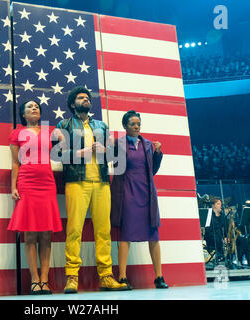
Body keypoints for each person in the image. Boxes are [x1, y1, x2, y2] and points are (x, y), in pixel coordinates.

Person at [55, 86, 128, 293]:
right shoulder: (63, 125)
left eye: (87, 97)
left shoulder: (102, 126)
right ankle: (72, 278)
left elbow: (116, 156)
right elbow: (57, 155)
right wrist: (81, 152)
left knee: (104, 231)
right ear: (72, 104)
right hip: (77, 183)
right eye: (80, 97)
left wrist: (107, 150)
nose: (85, 99)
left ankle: (106, 277)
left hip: (102, 183)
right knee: (74, 230)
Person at [7, 100, 62, 295]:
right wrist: (13, 186)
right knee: (29, 232)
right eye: (29, 106)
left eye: (37, 106)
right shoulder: (16, 134)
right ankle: (34, 279)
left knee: (47, 233)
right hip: (27, 183)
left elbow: (64, 152)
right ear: (23, 114)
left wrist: (62, 140)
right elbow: (15, 163)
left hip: (47, 183)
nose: (34, 108)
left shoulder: (51, 131)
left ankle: (45, 280)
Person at [110, 110, 168, 289]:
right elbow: (114, 164)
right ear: (125, 126)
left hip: (147, 192)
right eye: (132, 124)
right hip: (127, 191)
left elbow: (153, 170)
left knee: (154, 235)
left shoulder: (149, 145)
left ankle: (159, 277)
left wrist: (158, 153)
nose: (136, 126)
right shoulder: (118, 144)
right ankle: (122, 277)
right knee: (126, 235)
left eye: (138, 124)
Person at [204, 198, 228, 264]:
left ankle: (234, 259)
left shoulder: (222, 216)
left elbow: (226, 228)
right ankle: (219, 257)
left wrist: (226, 237)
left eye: (221, 204)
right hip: (211, 237)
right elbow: (207, 230)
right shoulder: (208, 215)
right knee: (217, 238)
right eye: (218, 204)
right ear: (213, 205)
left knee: (241, 240)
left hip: (221, 237)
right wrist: (221, 238)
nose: (220, 205)